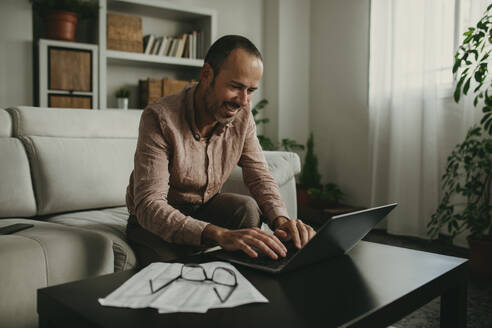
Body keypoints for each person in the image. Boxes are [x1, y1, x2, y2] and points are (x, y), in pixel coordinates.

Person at [126, 35, 315, 267]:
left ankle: (248, 276)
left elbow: (259, 174)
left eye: (251, 90)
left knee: (246, 208)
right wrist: (219, 234)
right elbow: (149, 205)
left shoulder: (242, 114)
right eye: (236, 87)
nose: (243, 101)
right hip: (154, 222)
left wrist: (282, 220)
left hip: (205, 208)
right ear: (206, 74)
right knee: (174, 272)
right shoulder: (159, 117)